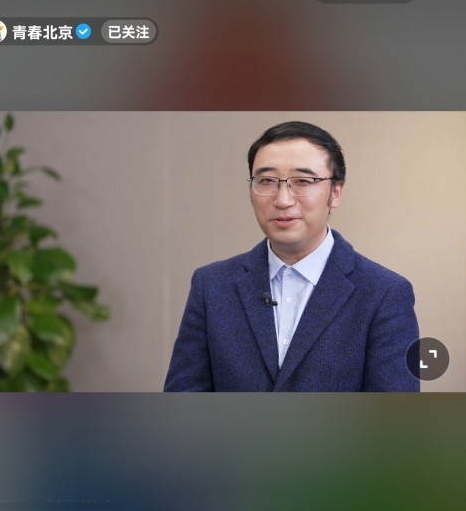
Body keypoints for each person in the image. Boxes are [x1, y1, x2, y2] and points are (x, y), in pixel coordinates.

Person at [164, 121, 419, 392]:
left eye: (303, 181)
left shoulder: (385, 293)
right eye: (266, 181)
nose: (283, 200)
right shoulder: (211, 286)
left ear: (335, 192)